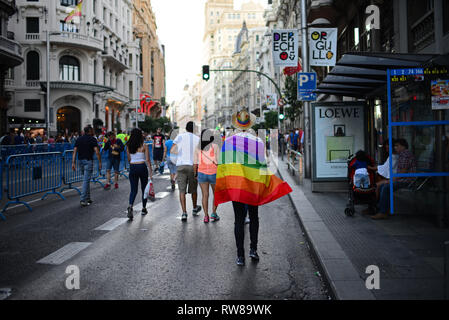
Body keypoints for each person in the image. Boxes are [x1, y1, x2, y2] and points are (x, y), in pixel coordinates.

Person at [215, 109, 292, 266]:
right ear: (250, 123)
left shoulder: (229, 142)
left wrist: (226, 184)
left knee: (238, 220)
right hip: (253, 185)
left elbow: (223, 165)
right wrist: (264, 183)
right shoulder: (258, 141)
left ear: (236, 124)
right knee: (254, 217)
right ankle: (253, 250)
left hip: (236, 186)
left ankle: (240, 256)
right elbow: (262, 164)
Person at [372, 138, 416, 220]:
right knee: (382, 186)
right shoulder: (403, 155)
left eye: (397, 146)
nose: (395, 148)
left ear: (403, 146)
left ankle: (383, 212)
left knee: (386, 187)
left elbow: (403, 173)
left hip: (407, 181)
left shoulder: (405, 155)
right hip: (404, 179)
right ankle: (383, 209)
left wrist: (390, 181)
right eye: (395, 146)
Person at [170, 121, 202, 221]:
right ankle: (194, 208)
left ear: (186, 128)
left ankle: (184, 213)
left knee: (181, 190)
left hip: (181, 166)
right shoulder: (197, 139)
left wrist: (180, 154)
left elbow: (172, 150)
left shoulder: (180, 137)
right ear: (194, 129)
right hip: (193, 166)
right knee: (193, 190)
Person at [194, 129, 220, 223]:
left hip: (201, 173)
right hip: (214, 173)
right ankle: (213, 213)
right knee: (216, 194)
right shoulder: (215, 146)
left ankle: (206, 216)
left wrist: (195, 174)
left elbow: (195, 163)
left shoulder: (198, 147)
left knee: (205, 195)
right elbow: (218, 161)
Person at [126, 128, 153, 220]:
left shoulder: (128, 145)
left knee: (133, 190)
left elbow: (129, 159)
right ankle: (144, 208)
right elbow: (148, 160)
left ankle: (130, 205)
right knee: (144, 189)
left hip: (133, 167)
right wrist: (151, 172)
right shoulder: (144, 145)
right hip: (142, 167)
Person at [72, 126, 102, 207]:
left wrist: (73, 163)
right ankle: (83, 199)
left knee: (86, 179)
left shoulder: (79, 139)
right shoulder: (92, 139)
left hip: (80, 161)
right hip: (88, 161)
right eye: (92, 130)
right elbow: (97, 151)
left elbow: (74, 151)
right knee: (86, 180)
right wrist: (99, 162)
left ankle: (88, 198)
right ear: (90, 131)